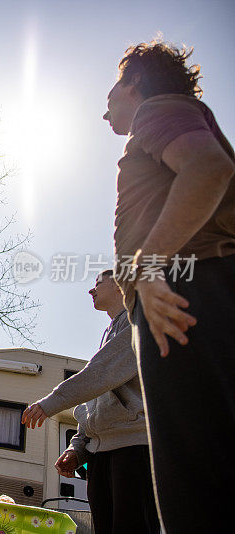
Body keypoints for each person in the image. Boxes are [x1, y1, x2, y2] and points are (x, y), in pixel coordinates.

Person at [103, 41, 235, 531]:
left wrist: (148, 265)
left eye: (111, 93)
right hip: (190, 290)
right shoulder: (174, 116)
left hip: (182, 295)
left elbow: (208, 168)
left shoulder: (157, 110)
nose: (105, 111)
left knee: (195, 490)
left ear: (134, 82)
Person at [21, 270, 159, 534]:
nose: (91, 290)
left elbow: (100, 374)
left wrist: (51, 402)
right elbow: (96, 393)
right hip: (101, 454)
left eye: (97, 283)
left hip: (133, 448)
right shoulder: (109, 332)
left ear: (121, 284)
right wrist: (79, 449)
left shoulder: (139, 320)